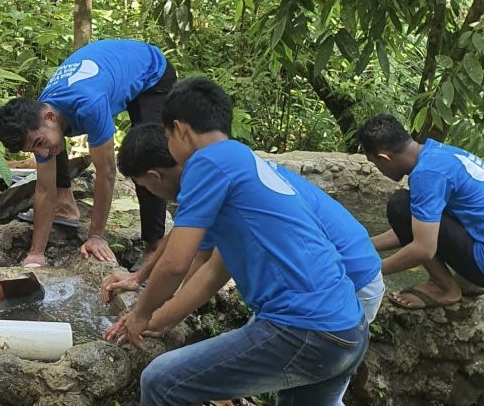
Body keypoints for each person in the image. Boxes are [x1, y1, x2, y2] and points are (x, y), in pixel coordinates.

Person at [108, 79, 368, 406]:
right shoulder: (242, 162)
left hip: (304, 329)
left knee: (161, 381)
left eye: (167, 135)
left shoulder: (206, 162)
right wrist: (156, 321)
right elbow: (213, 273)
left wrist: (140, 315)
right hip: (346, 329)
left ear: (180, 129)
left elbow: (175, 265)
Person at [102, 124, 385, 326]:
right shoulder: (214, 167)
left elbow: (203, 265)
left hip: (347, 279)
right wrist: (140, 280)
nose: (149, 193)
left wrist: (154, 317)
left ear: (155, 176)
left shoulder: (210, 178)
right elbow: (184, 238)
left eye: (144, 186)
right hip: (336, 273)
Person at [0, 39, 176, 267]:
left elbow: (107, 172)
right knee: (54, 144)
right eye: (33, 149)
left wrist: (95, 236)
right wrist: (36, 254)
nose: (41, 151)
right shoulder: (38, 119)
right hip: (109, 74)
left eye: (38, 142)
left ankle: (154, 248)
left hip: (151, 73)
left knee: (147, 160)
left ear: (49, 117)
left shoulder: (88, 105)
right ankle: (65, 206)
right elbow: (44, 188)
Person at [357, 114, 484, 309]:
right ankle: (468, 282)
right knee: (407, 209)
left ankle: (445, 288)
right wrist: (364, 245)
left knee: (400, 205)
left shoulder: (427, 175)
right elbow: (420, 227)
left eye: (375, 163)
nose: (379, 169)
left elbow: (424, 248)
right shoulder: (438, 154)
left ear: (384, 157)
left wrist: (369, 272)